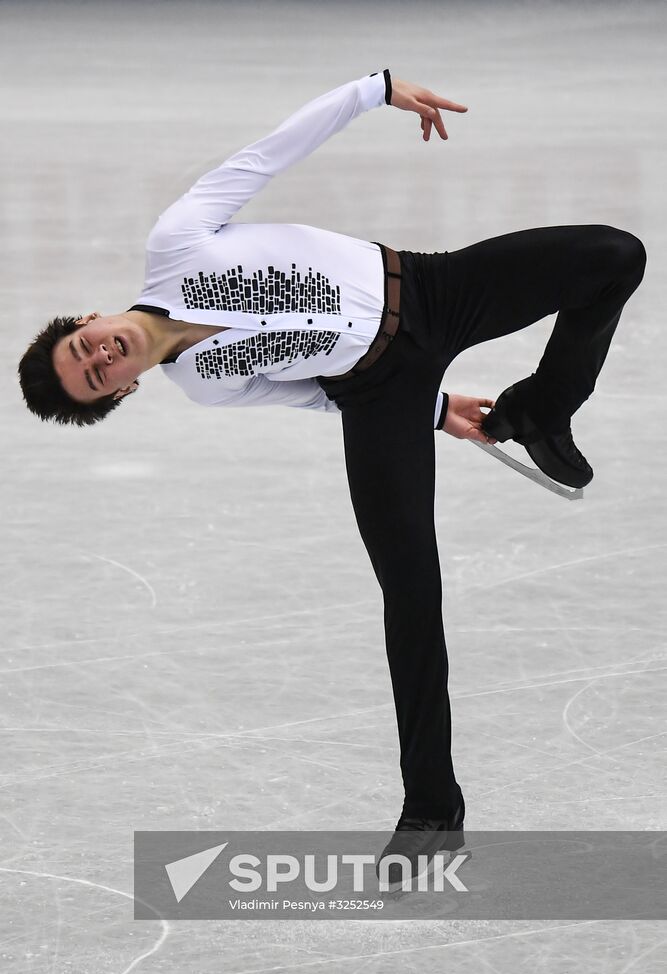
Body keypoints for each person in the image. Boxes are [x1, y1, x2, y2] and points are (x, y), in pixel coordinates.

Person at [18, 69, 646, 889]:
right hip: (377, 396)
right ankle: (431, 812)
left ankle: (542, 409)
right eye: (97, 378)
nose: (101, 359)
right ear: (124, 391)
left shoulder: (176, 243)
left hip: (428, 289)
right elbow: (312, 392)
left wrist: (374, 90)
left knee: (611, 255)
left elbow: (268, 154)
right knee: (411, 591)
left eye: (82, 350)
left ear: (83, 321)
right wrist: (433, 409)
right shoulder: (202, 381)